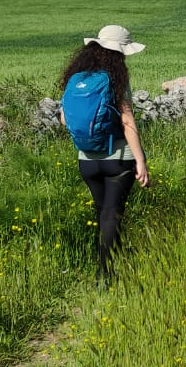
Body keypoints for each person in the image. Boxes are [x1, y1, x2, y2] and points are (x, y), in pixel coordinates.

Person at [59, 25, 151, 281]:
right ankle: (106, 272)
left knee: (102, 212)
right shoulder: (115, 77)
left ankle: (108, 263)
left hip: (86, 160)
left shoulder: (77, 77)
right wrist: (141, 161)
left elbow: (65, 120)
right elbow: (127, 121)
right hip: (118, 159)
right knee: (112, 212)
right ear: (119, 52)